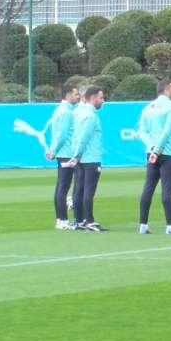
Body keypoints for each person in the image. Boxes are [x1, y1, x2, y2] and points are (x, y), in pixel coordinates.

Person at [136, 80, 171, 235]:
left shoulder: (148, 108)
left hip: (151, 152)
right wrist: (158, 149)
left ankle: (143, 225)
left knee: (148, 187)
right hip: (168, 152)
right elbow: (167, 130)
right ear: (166, 90)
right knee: (167, 189)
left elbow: (141, 132)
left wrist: (152, 148)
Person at [63, 86, 107, 232]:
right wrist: (77, 154)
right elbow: (84, 137)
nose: (103, 100)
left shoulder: (78, 113)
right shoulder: (90, 115)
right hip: (90, 157)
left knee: (79, 189)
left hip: (81, 158)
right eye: (101, 98)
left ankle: (79, 220)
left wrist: (75, 155)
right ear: (93, 98)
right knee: (88, 190)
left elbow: (76, 136)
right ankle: (89, 220)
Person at [45, 85, 80, 230]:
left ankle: (62, 218)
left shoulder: (62, 110)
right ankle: (62, 220)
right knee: (63, 186)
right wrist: (54, 150)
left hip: (63, 153)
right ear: (68, 95)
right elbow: (63, 134)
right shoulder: (66, 112)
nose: (78, 96)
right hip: (66, 153)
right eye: (76, 94)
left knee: (62, 186)